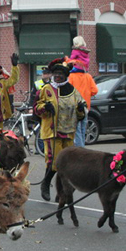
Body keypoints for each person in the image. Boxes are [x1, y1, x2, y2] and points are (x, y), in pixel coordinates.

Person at [35, 58, 86, 201]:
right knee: (54, 162)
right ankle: (45, 184)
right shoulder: (46, 89)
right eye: (55, 73)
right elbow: (36, 109)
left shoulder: (73, 91)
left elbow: (81, 115)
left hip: (68, 132)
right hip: (52, 132)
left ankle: (61, 192)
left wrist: (81, 110)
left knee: (67, 165)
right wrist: (44, 107)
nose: (57, 76)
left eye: (60, 73)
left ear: (65, 75)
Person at [67, 37, 98, 147]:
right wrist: (87, 93)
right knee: (83, 130)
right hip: (86, 107)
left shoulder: (71, 76)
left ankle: (80, 151)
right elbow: (95, 91)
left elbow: (68, 91)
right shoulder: (88, 77)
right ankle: (82, 148)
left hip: (75, 107)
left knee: (77, 131)